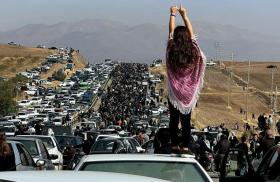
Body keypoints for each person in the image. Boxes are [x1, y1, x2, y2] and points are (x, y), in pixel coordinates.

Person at [166, 5, 206, 154]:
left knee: (173, 120)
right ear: (188, 38)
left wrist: (173, 14)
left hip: (174, 92)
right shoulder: (194, 51)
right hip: (188, 94)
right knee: (186, 121)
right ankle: (185, 146)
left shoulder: (171, 49)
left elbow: (170, 31)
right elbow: (192, 33)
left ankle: (175, 145)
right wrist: (185, 15)